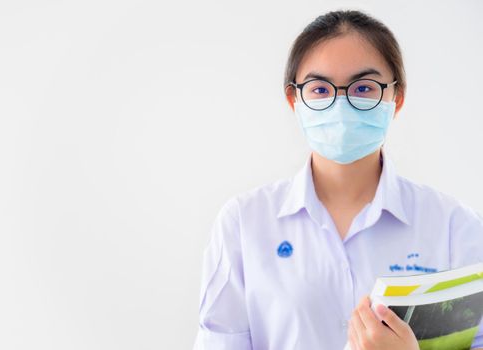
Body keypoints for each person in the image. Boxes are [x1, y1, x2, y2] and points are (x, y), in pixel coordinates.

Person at [192, 9, 483, 350]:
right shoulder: (243, 223)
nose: (341, 104)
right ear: (294, 100)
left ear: (396, 98)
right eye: (319, 89)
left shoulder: (454, 226)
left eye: (363, 87)